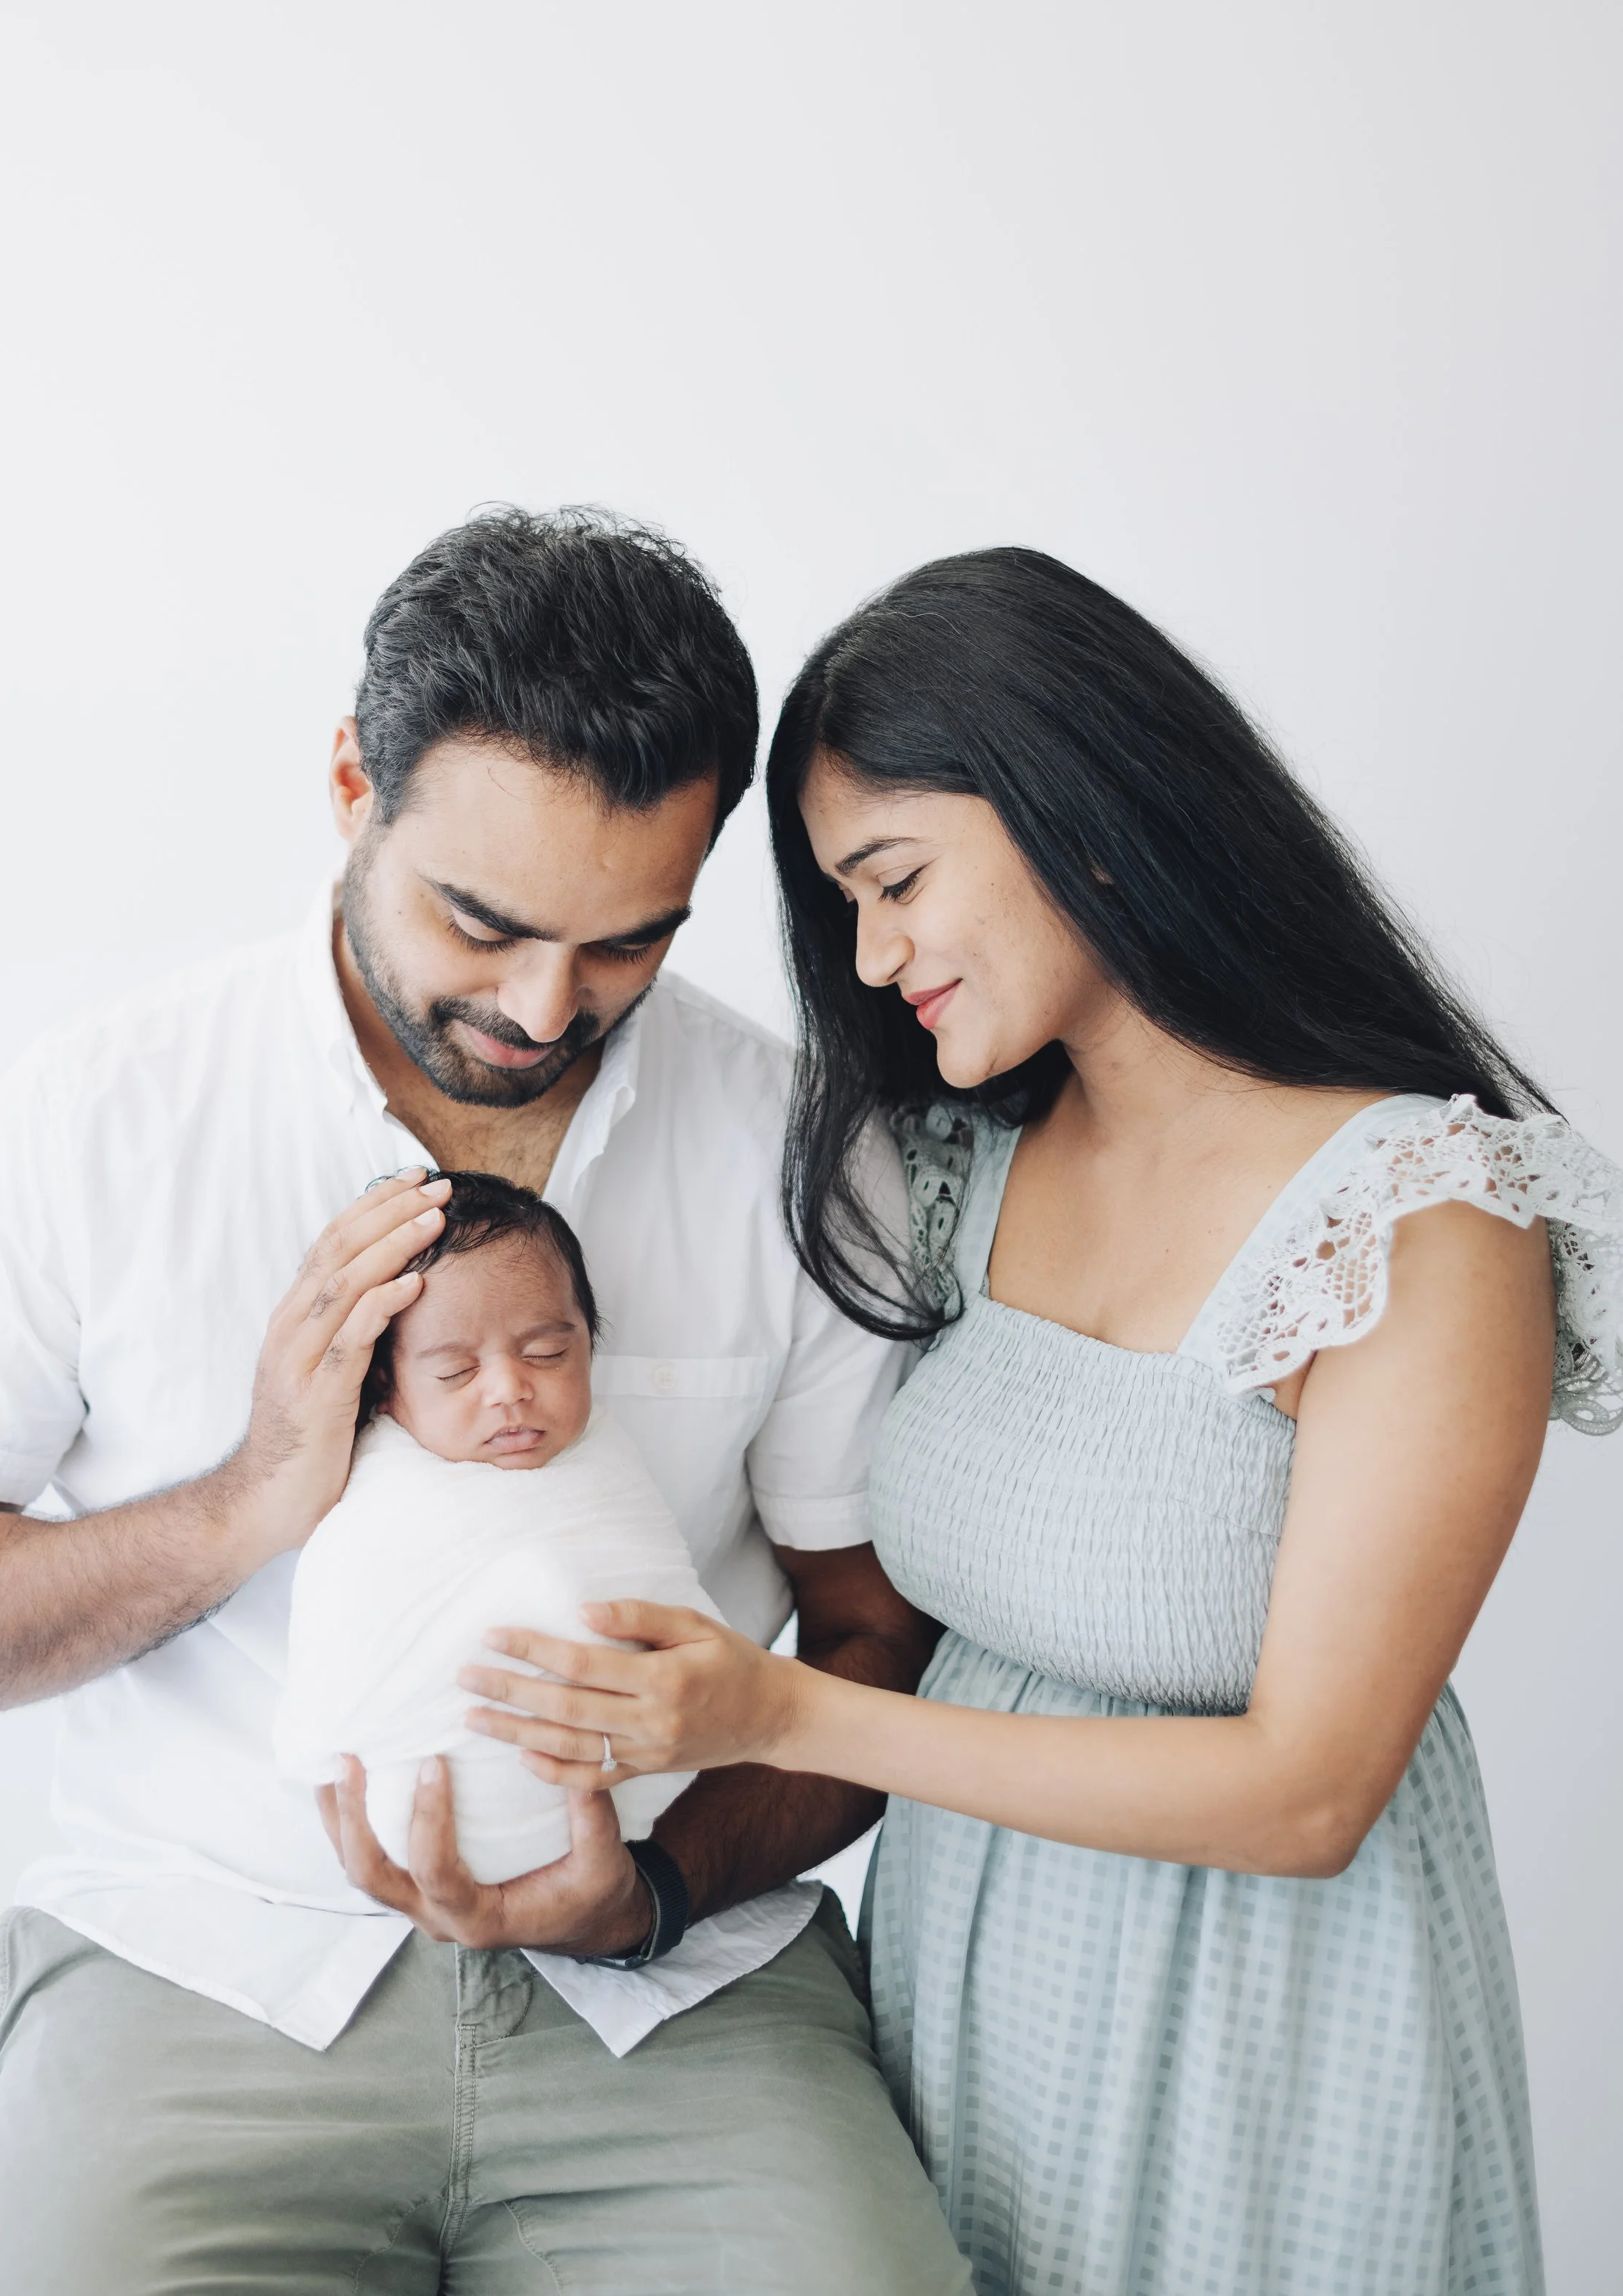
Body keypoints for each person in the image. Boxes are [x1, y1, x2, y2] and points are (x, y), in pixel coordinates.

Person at [0, 511, 973, 2295]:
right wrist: (244, 1500)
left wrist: (649, 1892)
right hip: (201, 1966)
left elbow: (878, 1646)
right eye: (478, 920)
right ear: (353, 781)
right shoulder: (102, 1114)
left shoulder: (795, 1152)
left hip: (684, 1988)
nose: (536, 1005)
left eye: (625, 944)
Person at [456, 548, 1623, 2296]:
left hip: (1265, 2022)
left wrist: (787, 1708)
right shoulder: (953, 1168)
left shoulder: (1424, 1215)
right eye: (844, 901)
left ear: (1080, 806)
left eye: (896, 879)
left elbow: (1308, 1792)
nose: (870, 950)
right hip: (969, 1991)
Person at [275, 1168, 717, 1885]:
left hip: (639, 1841)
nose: (509, 1387)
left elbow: (680, 1626)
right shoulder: (375, 1492)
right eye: (454, 1370)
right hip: (407, 1821)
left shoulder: (607, 1464)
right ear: (384, 1387)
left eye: (547, 1353)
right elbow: (343, 1652)